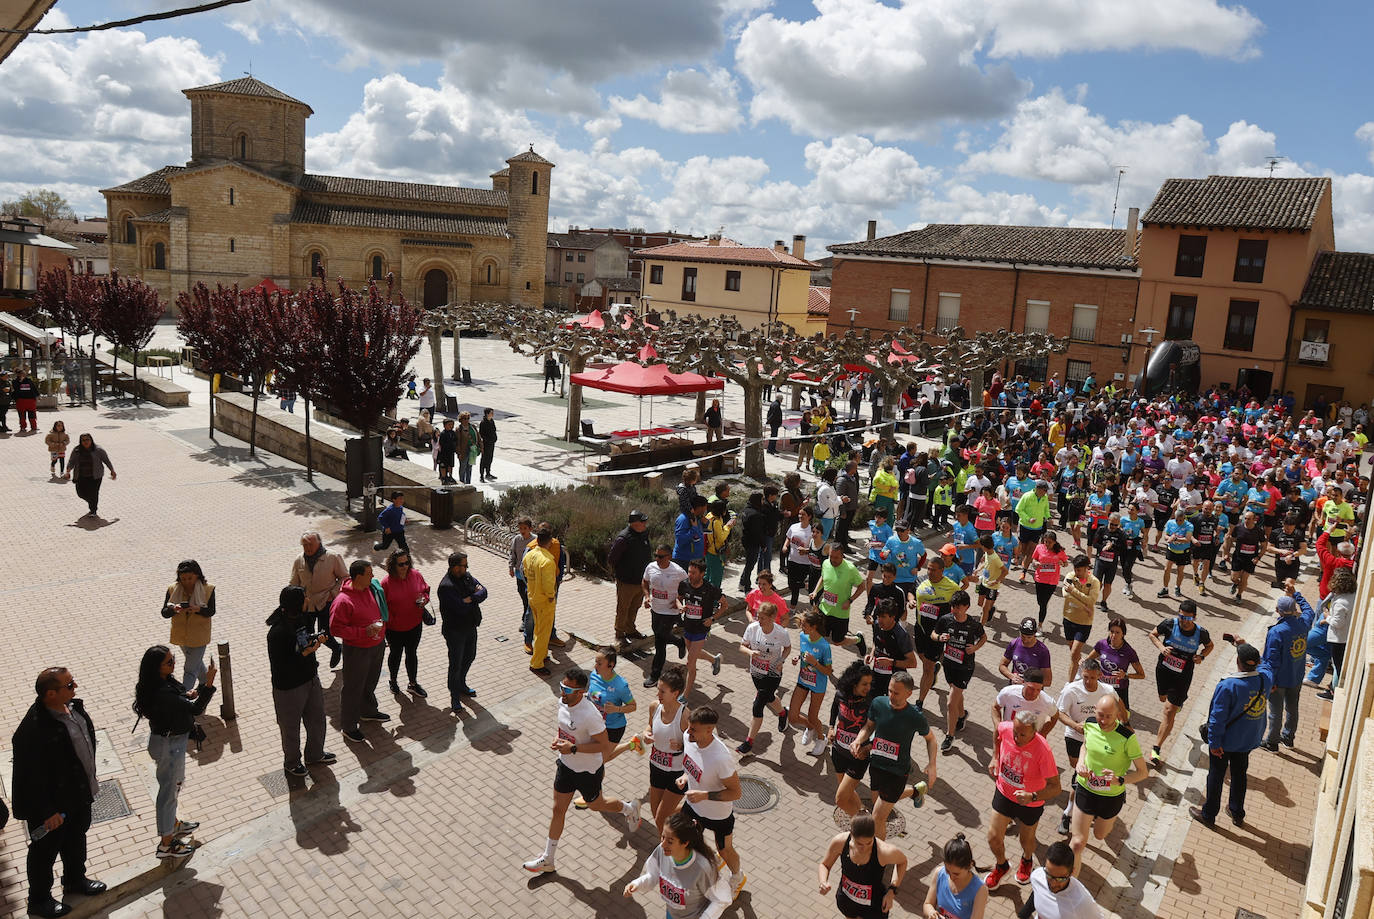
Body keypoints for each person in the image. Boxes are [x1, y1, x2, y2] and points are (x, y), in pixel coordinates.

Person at [521, 666, 643, 874]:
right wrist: (559, 740)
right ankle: (548, 858)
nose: (562, 693)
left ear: (580, 692)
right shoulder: (563, 702)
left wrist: (575, 748)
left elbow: (604, 745)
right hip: (566, 766)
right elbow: (565, 729)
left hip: (588, 771)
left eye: (567, 690)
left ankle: (629, 809)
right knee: (558, 809)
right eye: (562, 687)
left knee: (597, 805)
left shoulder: (590, 715)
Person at [11, 668, 107, 917]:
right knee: (44, 852)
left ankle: (75, 880)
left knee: (76, 839)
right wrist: (47, 811)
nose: (76, 687)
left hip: (78, 795)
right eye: (70, 685)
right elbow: (29, 777)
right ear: (50, 694)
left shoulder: (73, 708)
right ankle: (39, 900)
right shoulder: (32, 730)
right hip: (53, 806)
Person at [132, 645, 217, 860]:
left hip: (172, 742)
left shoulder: (163, 682)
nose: (173, 664)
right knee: (168, 794)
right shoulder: (161, 691)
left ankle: (173, 824)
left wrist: (191, 693)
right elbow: (196, 709)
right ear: (156, 668)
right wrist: (208, 683)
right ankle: (166, 844)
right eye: (168, 662)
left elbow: (183, 698)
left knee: (174, 787)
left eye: (173, 659)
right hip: (168, 745)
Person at [1190, 641, 1272, 829]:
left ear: (1238, 661)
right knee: (1240, 775)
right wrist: (1247, 647)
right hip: (1248, 740)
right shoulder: (1265, 679)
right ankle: (1236, 812)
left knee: (1216, 776)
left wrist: (1214, 743)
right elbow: (1267, 664)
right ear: (1256, 663)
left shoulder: (1228, 685)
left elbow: (1217, 718)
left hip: (1224, 742)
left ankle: (1209, 814)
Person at [851, 671, 936, 841]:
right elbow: (869, 727)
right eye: (890, 690)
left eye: (896, 693)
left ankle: (878, 858)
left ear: (909, 694)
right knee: (877, 804)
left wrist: (932, 764)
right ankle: (915, 791)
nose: (891, 695)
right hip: (876, 765)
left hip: (897, 772)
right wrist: (858, 740)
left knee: (877, 818)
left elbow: (931, 739)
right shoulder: (878, 703)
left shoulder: (915, 716)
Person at [984, 709, 1062, 888]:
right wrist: (995, 757)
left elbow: (1056, 787)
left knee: (1026, 841)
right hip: (1004, 792)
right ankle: (1002, 865)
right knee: (993, 837)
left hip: (1030, 802)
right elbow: (998, 730)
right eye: (1015, 732)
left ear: (1034, 732)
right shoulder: (1006, 728)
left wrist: (1032, 796)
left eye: (1022, 734)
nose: (1017, 737)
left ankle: (1027, 860)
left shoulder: (1043, 750)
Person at [678, 706, 747, 898]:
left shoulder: (721, 758)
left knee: (724, 850)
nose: (688, 732)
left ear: (709, 730)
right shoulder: (688, 737)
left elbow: (735, 793)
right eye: (689, 727)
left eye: (694, 729)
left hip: (718, 815)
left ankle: (737, 877)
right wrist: (685, 776)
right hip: (693, 806)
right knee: (685, 839)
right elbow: (692, 763)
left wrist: (705, 795)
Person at [265, 586, 334, 778]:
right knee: (290, 728)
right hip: (288, 688)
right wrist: (306, 652)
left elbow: (304, 640)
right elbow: (282, 664)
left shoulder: (304, 619)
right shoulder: (277, 633)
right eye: (305, 598)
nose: (308, 600)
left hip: (310, 678)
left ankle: (315, 754)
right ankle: (292, 763)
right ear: (296, 603)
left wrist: (314, 640)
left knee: (317, 719)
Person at [1056, 663, 1126, 836]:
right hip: (1075, 737)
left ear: (1099, 675)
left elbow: (1119, 705)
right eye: (1085, 676)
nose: (1088, 681)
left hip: (1099, 740)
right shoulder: (1071, 690)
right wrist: (1075, 725)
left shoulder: (1107, 690)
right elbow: (1059, 712)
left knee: (1085, 774)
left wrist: (1125, 723)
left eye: (1092, 677)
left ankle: (1071, 811)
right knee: (1079, 771)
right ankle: (1073, 810)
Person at [624, 810, 731, 918]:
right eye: (663, 837)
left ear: (685, 843)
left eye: (670, 841)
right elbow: (653, 875)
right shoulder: (662, 851)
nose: (663, 845)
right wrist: (637, 884)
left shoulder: (703, 868)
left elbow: (721, 899)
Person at [329, 560, 389, 743]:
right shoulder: (343, 601)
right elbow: (335, 629)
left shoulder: (369, 589)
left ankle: (368, 711)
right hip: (357, 650)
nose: (373, 576)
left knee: (370, 681)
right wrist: (363, 632)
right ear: (358, 576)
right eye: (369, 573)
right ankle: (348, 726)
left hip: (376, 645)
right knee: (353, 688)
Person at [1147, 599, 1213, 765]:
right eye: (1182, 617)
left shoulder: (1201, 632)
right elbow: (1152, 634)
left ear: (1195, 618)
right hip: (1164, 670)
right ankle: (1175, 702)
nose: (1184, 621)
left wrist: (1202, 656)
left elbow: (1210, 646)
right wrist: (1162, 648)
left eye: (1188, 619)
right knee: (1163, 699)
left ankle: (1156, 749)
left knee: (1169, 710)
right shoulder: (1170, 624)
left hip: (1183, 675)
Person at [819, 812, 910, 919]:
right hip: (847, 900)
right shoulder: (840, 842)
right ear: (851, 834)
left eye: (869, 843)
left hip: (874, 908)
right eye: (859, 844)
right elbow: (824, 865)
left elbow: (902, 862)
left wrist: (892, 891)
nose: (864, 848)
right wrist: (823, 881)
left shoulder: (884, 851)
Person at [1261, 593, 1316, 751]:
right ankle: (1288, 738)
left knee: (1275, 712)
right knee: (1292, 708)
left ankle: (1272, 742)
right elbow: (1309, 612)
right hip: (1296, 676)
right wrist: (1297, 595)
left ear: (1278, 610)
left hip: (1279, 680)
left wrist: (1270, 680)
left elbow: (1271, 661)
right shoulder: (1303, 624)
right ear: (1294, 610)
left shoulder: (1276, 632)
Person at [736, 602, 792, 755]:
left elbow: (788, 648)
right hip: (756, 672)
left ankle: (748, 743)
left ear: (773, 617)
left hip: (773, 673)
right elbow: (742, 646)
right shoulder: (752, 628)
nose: (758, 621)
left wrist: (782, 660)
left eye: (762, 618)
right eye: (758, 617)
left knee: (758, 704)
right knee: (768, 698)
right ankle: (783, 713)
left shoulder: (781, 632)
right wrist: (750, 653)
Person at [935, 590, 986, 754]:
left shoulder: (973, 624)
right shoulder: (946, 620)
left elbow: (983, 637)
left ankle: (949, 736)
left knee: (951, 703)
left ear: (967, 607)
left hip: (965, 667)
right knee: (955, 694)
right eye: (952, 607)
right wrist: (939, 638)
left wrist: (976, 647)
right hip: (949, 664)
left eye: (958, 607)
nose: (954, 610)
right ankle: (962, 715)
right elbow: (933, 634)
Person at [290, 531, 348, 670]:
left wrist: (332, 594)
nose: (307, 548)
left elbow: (344, 577)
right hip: (307, 605)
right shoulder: (299, 560)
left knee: (326, 634)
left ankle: (337, 648)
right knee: (307, 638)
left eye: (310, 544)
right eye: (304, 545)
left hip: (326, 602)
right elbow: (294, 583)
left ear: (319, 543)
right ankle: (312, 664)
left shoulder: (332, 557)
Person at [436, 551, 486, 710]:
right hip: (455, 631)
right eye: (464, 565)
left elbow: (483, 591)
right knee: (455, 664)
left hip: (470, 626)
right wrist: (473, 596)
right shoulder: (446, 587)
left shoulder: (467, 576)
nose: (467, 568)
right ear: (455, 567)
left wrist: (471, 598)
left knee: (470, 656)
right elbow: (460, 608)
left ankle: (461, 683)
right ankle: (455, 697)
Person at [642, 667, 689, 832]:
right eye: (658, 690)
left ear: (675, 693)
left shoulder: (684, 716)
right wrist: (646, 733)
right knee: (657, 815)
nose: (658, 695)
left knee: (661, 819)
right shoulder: (654, 707)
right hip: (656, 766)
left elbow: (698, 744)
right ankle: (690, 811)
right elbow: (649, 725)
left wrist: (683, 745)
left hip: (677, 773)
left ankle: (669, 853)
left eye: (662, 691)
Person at [380, 549, 431, 697]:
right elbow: (381, 608)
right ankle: (393, 681)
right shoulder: (386, 583)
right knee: (395, 654)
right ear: (393, 565)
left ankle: (413, 683)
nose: (405, 567)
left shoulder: (416, 575)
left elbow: (425, 591)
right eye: (401, 564)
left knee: (412, 654)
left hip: (414, 625)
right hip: (394, 629)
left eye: (407, 563)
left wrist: (424, 600)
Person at [160, 560, 216, 692]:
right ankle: (205, 683)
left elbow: (211, 611)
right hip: (181, 636)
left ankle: (183, 695)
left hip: (199, 637)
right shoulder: (173, 589)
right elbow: (164, 612)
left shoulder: (208, 589)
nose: (187, 582)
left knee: (190, 669)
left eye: (190, 578)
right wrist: (174, 609)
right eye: (183, 579)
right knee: (196, 662)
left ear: (197, 575)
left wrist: (198, 609)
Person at [789, 610, 835, 756]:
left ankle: (822, 739)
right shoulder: (803, 636)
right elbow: (804, 653)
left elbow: (828, 671)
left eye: (805, 625)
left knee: (813, 716)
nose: (802, 627)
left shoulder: (824, 646)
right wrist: (798, 658)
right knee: (793, 716)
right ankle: (810, 728)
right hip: (802, 680)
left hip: (818, 685)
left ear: (814, 627)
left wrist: (814, 662)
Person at [678, 559, 726, 698]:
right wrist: (680, 606)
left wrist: (712, 619)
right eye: (689, 571)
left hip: (701, 629)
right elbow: (678, 598)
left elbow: (725, 606)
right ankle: (714, 660)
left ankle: (685, 696)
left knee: (690, 662)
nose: (690, 575)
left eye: (693, 572)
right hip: (688, 626)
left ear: (702, 574)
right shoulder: (684, 584)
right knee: (696, 654)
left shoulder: (711, 589)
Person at [643, 546, 689, 687]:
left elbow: (687, 586)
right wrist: (646, 596)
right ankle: (679, 642)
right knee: (658, 634)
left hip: (670, 612)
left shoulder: (678, 571)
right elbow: (645, 581)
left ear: (669, 556)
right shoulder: (651, 567)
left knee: (660, 640)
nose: (657, 559)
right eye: (656, 555)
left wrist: (679, 600)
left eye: (661, 556)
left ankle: (655, 675)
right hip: (656, 609)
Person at [1020, 841, 1103, 919]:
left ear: (1072, 872)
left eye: (1060, 878)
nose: (1053, 883)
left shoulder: (1081, 902)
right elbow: (1038, 891)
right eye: (1049, 875)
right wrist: (1024, 913)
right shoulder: (1037, 876)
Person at [812, 542, 868, 653]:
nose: (833, 560)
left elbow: (862, 586)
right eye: (830, 556)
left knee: (837, 641)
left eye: (836, 557)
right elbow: (823, 577)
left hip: (840, 612)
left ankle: (858, 639)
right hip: (824, 608)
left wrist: (850, 600)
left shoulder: (850, 569)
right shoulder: (826, 563)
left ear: (842, 555)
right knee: (819, 635)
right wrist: (815, 591)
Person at [609, 510, 653, 645]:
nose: (645, 524)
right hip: (627, 581)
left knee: (635, 606)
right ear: (635, 523)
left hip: (640, 581)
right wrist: (622, 572)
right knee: (623, 608)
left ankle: (630, 629)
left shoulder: (643, 534)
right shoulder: (623, 538)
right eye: (642, 521)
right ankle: (620, 633)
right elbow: (612, 559)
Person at [1086, 617, 1144, 712]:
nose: (1113, 635)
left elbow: (1141, 675)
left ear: (1123, 634)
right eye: (1112, 631)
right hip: (1101, 687)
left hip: (1119, 690)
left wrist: (1125, 675)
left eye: (1117, 632)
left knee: (1122, 718)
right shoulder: (1102, 644)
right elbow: (1089, 660)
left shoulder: (1129, 652)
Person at [922, 832, 986, 919]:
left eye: (956, 873)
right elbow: (928, 904)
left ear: (969, 866)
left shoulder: (980, 890)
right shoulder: (939, 873)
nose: (951, 877)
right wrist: (931, 912)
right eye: (947, 871)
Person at [523, 527, 560, 676]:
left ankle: (542, 654)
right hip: (545, 600)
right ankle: (537, 663)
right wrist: (551, 596)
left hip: (533, 597)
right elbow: (548, 584)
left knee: (539, 628)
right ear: (550, 542)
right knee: (543, 632)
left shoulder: (529, 555)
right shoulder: (547, 561)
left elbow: (526, 574)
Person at [1061, 555, 1100, 684]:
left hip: (1084, 623)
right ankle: (1079, 667)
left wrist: (1073, 591)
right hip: (1068, 618)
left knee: (1073, 654)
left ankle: (1070, 684)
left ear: (1086, 569)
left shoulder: (1094, 582)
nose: (1076, 573)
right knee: (1074, 652)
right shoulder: (1070, 576)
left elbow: (1091, 600)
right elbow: (1066, 595)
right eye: (1075, 569)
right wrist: (1084, 606)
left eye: (1079, 570)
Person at [1318, 567, 1357, 698]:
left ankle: (1335, 693)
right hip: (1347, 637)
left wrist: (1327, 616)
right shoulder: (1352, 596)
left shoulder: (1340, 602)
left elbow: (1338, 623)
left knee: (1338, 667)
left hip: (1339, 639)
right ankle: (1333, 688)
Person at [62, 433, 116, 517]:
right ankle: (92, 502)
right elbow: (71, 461)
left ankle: (93, 510)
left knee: (93, 493)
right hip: (81, 475)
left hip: (95, 476)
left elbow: (106, 460)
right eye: (83, 440)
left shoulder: (98, 450)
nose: (85, 442)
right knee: (80, 493)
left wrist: (112, 470)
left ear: (91, 440)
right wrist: (68, 471)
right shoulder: (77, 450)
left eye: (87, 439)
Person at [993, 669, 1059, 736]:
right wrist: (998, 726)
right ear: (1023, 682)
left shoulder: (1048, 702)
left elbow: (1055, 716)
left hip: (1032, 741)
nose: (1034, 693)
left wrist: (1043, 734)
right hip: (1009, 735)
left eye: (1038, 689)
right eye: (1031, 688)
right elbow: (995, 707)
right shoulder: (1008, 692)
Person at [1001, 619, 1054, 688]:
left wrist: (1026, 683)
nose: (1025, 640)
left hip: (1032, 693)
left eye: (1029, 637)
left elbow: (1047, 681)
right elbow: (1002, 665)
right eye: (1023, 636)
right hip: (1014, 688)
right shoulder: (1014, 643)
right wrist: (1011, 676)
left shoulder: (1042, 651)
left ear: (1035, 634)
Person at [1030, 531, 1069, 626]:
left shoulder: (1060, 551)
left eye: (1049, 542)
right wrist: (1035, 563)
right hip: (1039, 579)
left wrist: (1062, 563)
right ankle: (1044, 606)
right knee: (1040, 602)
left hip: (1052, 581)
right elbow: (1034, 559)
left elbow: (1066, 563)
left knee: (1043, 604)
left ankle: (1040, 625)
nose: (1047, 544)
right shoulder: (1039, 547)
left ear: (1054, 542)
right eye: (1045, 541)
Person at [508, 516, 534, 649]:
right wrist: (511, 567)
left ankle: (526, 622)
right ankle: (526, 619)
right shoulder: (516, 539)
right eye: (520, 528)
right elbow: (512, 554)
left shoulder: (535, 540)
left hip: (530, 575)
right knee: (523, 597)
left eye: (525, 528)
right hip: (519, 574)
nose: (522, 531)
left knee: (529, 599)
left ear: (530, 529)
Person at [704, 498, 733, 588]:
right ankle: (714, 600)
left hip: (708, 550)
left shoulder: (709, 516)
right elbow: (721, 538)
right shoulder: (716, 522)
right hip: (716, 552)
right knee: (716, 578)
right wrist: (728, 527)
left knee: (708, 574)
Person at [455, 410, 482, 485]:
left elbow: (478, 437)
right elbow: (458, 442)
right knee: (463, 468)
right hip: (463, 451)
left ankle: (468, 483)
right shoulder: (459, 429)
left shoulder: (472, 427)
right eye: (464, 418)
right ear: (461, 419)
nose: (466, 420)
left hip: (472, 451)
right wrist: (459, 452)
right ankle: (461, 482)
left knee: (469, 468)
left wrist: (481, 447)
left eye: (468, 418)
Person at [478, 407, 498, 481]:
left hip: (492, 443)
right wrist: (487, 440)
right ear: (487, 414)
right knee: (484, 459)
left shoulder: (492, 421)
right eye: (491, 413)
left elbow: (494, 431)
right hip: (486, 444)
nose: (492, 414)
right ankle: (481, 475)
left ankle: (488, 473)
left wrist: (495, 438)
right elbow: (481, 434)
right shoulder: (483, 423)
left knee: (490, 458)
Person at [436, 418, 457, 485]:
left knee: (450, 465)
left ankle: (450, 476)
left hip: (451, 452)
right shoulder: (443, 434)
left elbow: (455, 440)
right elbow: (442, 443)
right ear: (445, 426)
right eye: (449, 425)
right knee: (443, 465)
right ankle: (444, 477)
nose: (451, 426)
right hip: (444, 453)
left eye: (452, 424)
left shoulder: (453, 433)